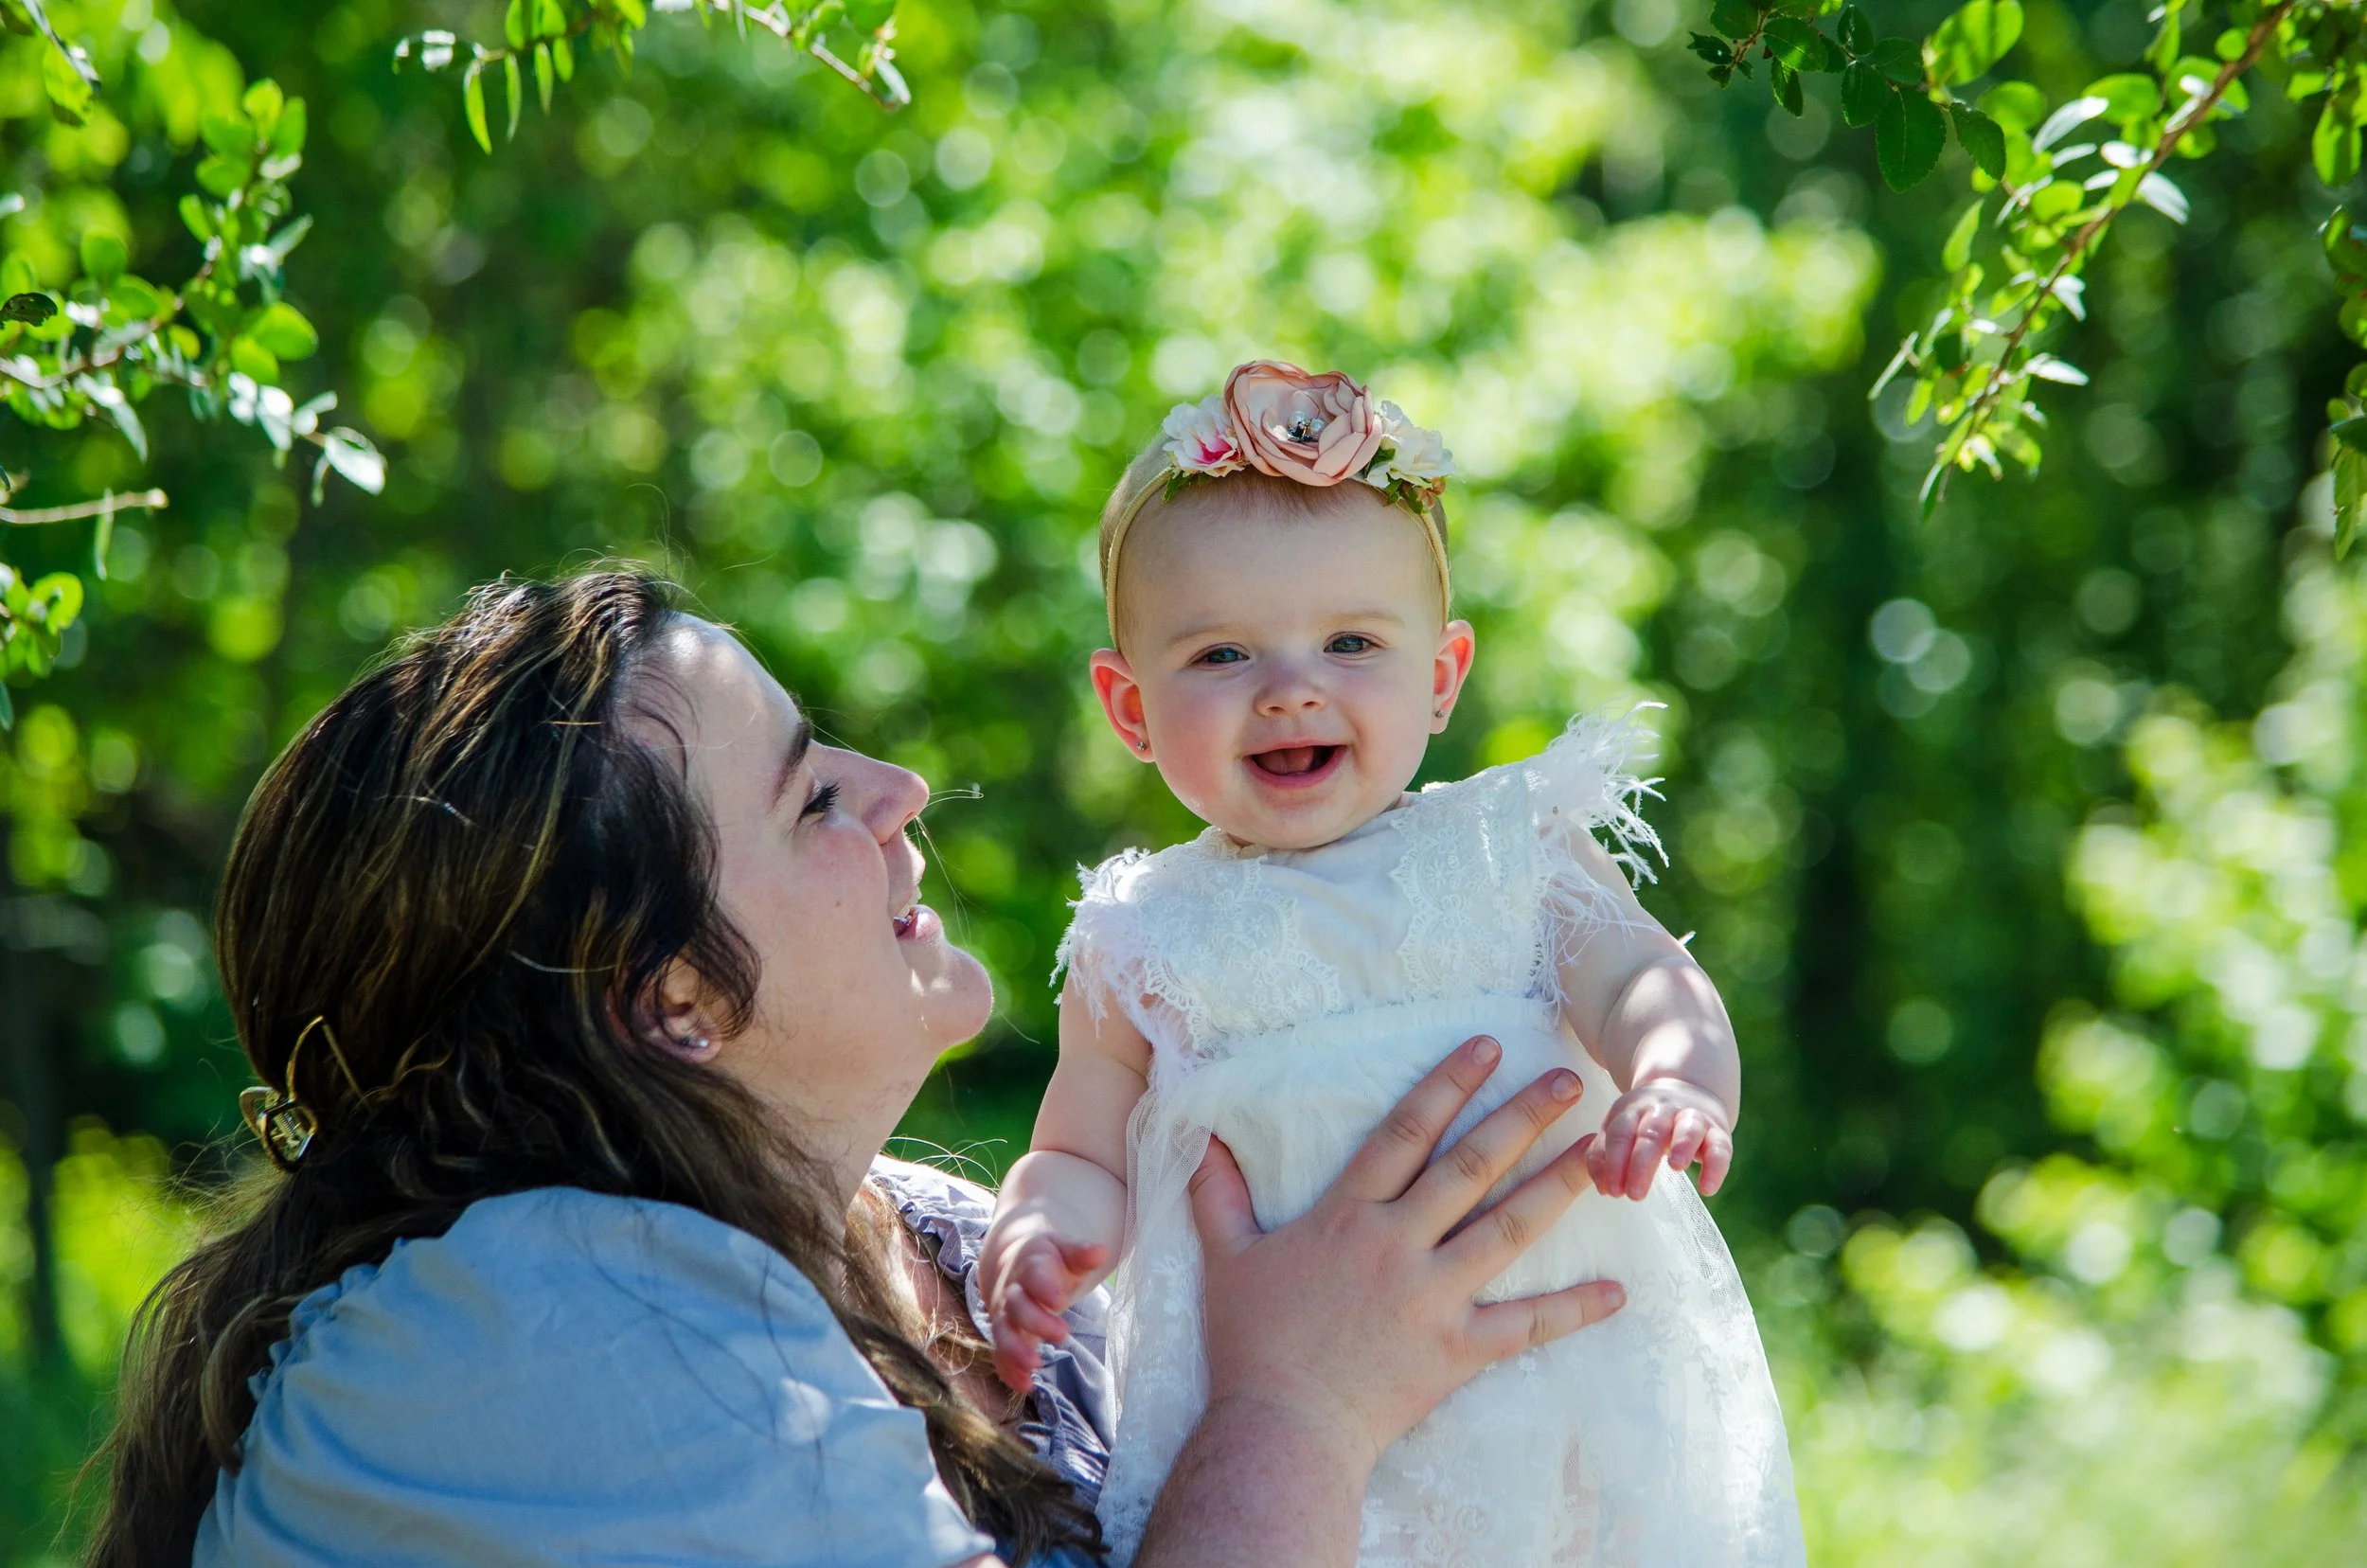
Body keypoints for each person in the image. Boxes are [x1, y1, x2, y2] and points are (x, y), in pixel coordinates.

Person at [83, 569, 1628, 1568]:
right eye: (811, 795)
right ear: (667, 997)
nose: (897, 790)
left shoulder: (920, 1240)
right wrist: (1301, 1413)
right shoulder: (532, 1331)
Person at [978, 364, 1805, 1566]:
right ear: (1129, 707)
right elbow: (1076, 1142)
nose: (1290, 687)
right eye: (1220, 657)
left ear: (1440, 676)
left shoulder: (1507, 850)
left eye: (1349, 641)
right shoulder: (1140, 940)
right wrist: (1045, 1228)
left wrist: (1675, 1078)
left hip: (1565, 1388)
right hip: (1292, 1462)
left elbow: (1638, 980)